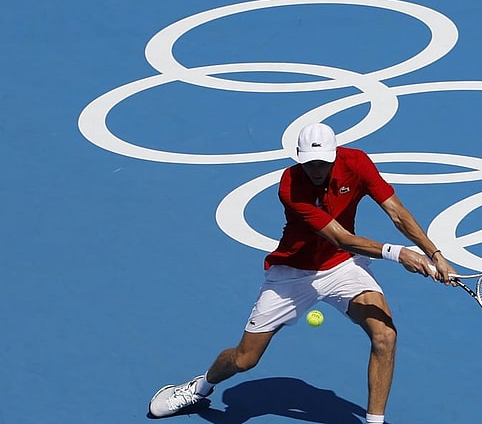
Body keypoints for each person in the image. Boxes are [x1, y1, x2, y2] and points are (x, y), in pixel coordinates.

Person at [148, 122, 456, 424]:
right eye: (310, 163)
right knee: (245, 358)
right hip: (293, 275)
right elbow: (340, 237)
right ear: (298, 156)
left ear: (335, 155)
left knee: (385, 335)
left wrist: (435, 254)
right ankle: (199, 387)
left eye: (324, 163)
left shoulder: (357, 163)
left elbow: (397, 213)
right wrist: (398, 253)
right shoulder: (290, 186)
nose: (317, 169)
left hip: (343, 267)